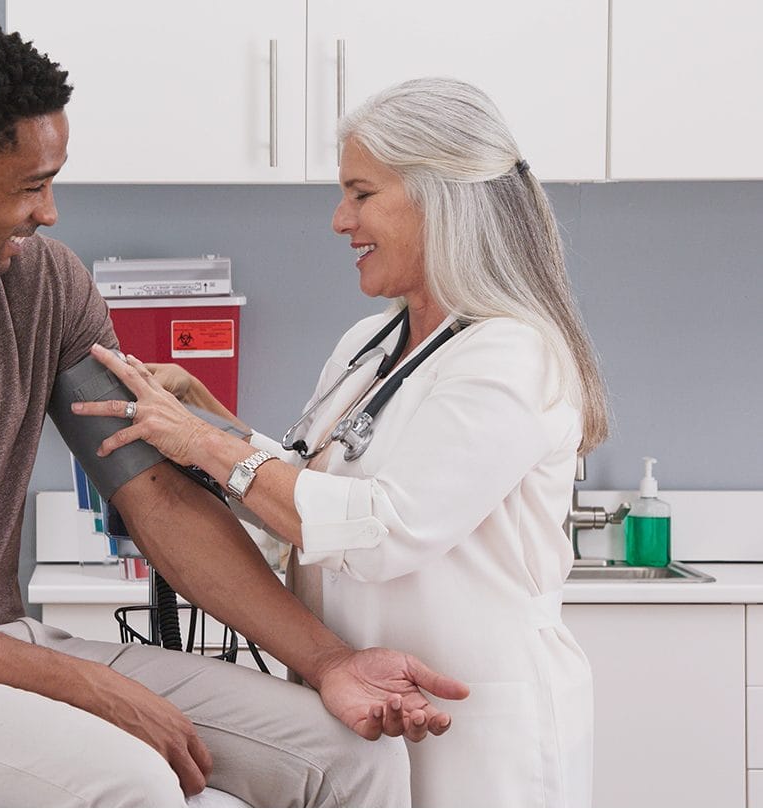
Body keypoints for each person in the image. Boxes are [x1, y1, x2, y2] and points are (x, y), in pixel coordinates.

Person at [0, 22, 469, 808]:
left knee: (350, 756)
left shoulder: (44, 285)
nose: (49, 212)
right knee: (132, 781)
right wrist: (85, 685)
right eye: (27, 186)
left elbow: (153, 494)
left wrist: (328, 662)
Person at [73, 77, 605, 807]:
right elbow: (308, 490)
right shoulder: (371, 343)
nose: (337, 219)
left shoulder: (513, 354)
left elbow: (384, 526)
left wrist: (205, 443)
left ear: (437, 197)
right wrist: (210, 418)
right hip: (369, 709)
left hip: (479, 725)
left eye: (361, 193)